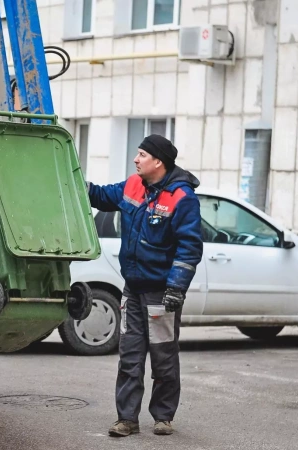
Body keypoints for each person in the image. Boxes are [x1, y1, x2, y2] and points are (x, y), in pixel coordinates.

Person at [87, 134, 203, 437]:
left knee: (163, 357)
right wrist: (71, 180)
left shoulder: (181, 198)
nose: (136, 159)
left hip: (161, 294)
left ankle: (163, 417)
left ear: (158, 162)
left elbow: (189, 247)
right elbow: (99, 196)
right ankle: (126, 419)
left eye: (141, 154)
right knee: (130, 356)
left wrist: (176, 288)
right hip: (133, 289)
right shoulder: (132, 185)